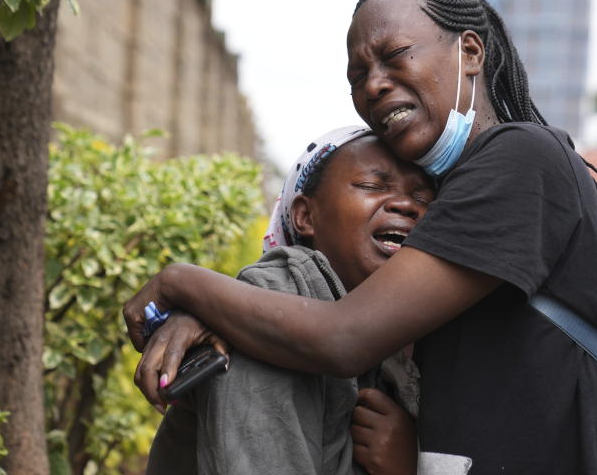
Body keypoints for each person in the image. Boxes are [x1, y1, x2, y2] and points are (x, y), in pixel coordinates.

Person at [125, 0, 597, 474]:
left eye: (395, 56)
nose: (374, 85)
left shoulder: (519, 160)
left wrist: (184, 285)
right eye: (358, 74)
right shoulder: (453, 208)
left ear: (469, 51)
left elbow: (343, 337)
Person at [140, 126, 431, 475]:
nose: (406, 205)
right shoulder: (267, 326)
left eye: (425, 198)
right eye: (372, 185)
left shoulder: (408, 340)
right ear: (305, 216)